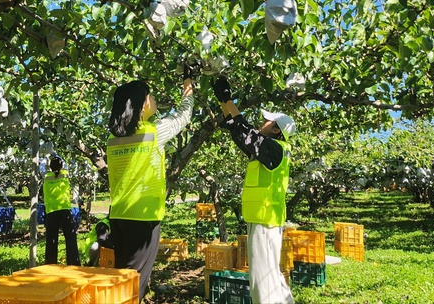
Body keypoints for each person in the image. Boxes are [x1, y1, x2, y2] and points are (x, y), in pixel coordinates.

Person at [107, 64, 195, 301]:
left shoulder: (113, 139)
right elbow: (184, 114)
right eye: (151, 95)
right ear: (144, 104)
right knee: (134, 284)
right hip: (143, 218)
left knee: (122, 277)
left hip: (118, 215)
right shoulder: (153, 132)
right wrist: (188, 80)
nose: (154, 99)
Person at [212, 75, 296, 304]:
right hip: (265, 217)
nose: (263, 122)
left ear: (277, 130)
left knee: (262, 279)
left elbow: (248, 134)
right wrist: (224, 103)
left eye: (268, 121)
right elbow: (242, 134)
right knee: (271, 272)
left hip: (265, 218)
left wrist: (229, 101)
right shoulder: (271, 149)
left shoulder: (274, 149)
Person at [43, 155, 80, 265]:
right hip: (64, 209)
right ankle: (74, 263)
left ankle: (50, 263)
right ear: (61, 166)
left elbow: (42, 167)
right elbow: (66, 164)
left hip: (51, 211)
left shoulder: (46, 177)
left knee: (51, 240)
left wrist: (47, 155)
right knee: (70, 238)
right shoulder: (65, 174)